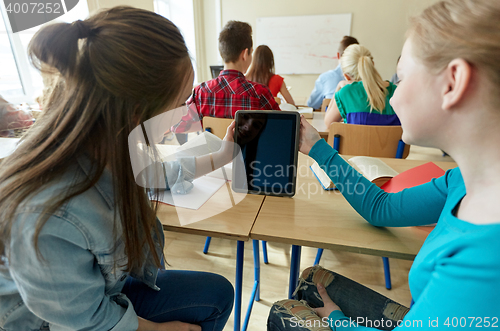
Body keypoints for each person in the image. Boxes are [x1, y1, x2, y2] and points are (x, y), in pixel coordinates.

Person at [268, 0, 500, 329]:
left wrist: (336, 319)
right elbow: (382, 207)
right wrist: (316, 148)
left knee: (282, 312)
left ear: (453, 82)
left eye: (402, 78)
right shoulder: (461, 181)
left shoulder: (483, 265)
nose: (392, 96)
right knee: (310, 280)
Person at [0, 7, 235, 331]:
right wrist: (155, 330)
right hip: (49, 322)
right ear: (137, 114)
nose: (186, 113)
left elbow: (164, 172)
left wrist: (222, 156)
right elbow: (80, 319)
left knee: (217, 293)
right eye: (181, 102)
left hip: (97, 291)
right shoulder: (47, 216)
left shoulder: (107, 143)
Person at [173, 21, 280, 133]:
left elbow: (176, 126)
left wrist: (205, 124)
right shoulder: (259, 93)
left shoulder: (200, 92)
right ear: (245, 54)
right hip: (247, 151)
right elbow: (283, 127)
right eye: (251, 53)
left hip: (213, 151)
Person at [324, 44, 400, 128]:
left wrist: (339, 86)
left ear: (347, 76)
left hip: (354, 141)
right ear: (372, 65)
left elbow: (328, 124)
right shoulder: (396, 91)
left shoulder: (346, 93)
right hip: (391, 141)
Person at [306, 36, 359, 110]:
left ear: (338, 55)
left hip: (330, 120)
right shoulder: (367, 80)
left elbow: (312, 105)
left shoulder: (325, 78)